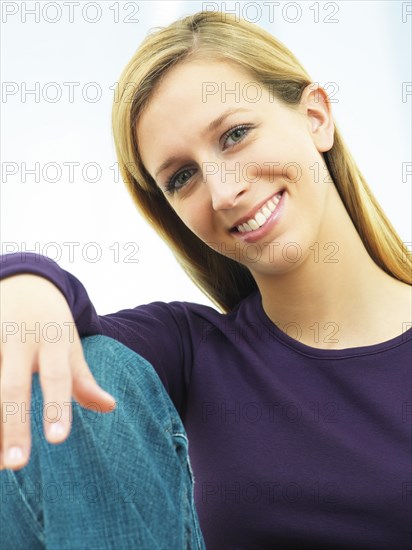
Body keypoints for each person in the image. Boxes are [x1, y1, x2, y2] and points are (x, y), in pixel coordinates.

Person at [1, 9, 411, 550]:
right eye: (182, 177)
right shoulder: (192, 350)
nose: (222, 192)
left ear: (316, 117)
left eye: (236, 134)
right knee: (65, 368)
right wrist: (24, 283)